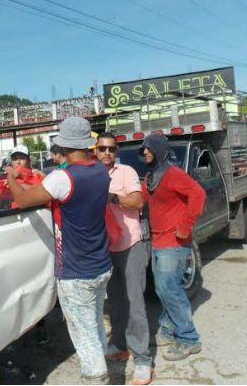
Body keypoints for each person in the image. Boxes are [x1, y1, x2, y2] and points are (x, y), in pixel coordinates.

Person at [6, 116, 112, 384]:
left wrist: (11, 178)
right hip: (101, 264)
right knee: (95, 326)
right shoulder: (100, 170)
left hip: (76, 272)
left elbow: (23, 198)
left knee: (84, 336)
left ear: (64, 147)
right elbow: (49, 192)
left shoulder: (63, 177)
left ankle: (96, 378)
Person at [139, 134, 206, 362]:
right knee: (162, 289)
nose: (144, 153)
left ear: (158, 150)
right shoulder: (152, 177)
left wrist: (185, 227)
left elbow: (198, 194)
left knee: (169, 289)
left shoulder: (173, 174)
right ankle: (167, 329)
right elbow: (140, 198)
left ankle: (189, 338)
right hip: (158, 241)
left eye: (148, 149)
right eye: (143, 150)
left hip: (174, 243)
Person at [95, 132, 153, 385]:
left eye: (111, 149)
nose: (106, 153)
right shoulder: (91, 173)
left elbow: (138, 200)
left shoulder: (126, 172)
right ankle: (119, 343)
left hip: (130, 244)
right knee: (115, 300)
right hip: (104, 247)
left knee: (135, 302)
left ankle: (142, 358)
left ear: (116, 150)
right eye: (102, 149)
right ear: (95, 150)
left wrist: (112, 198)